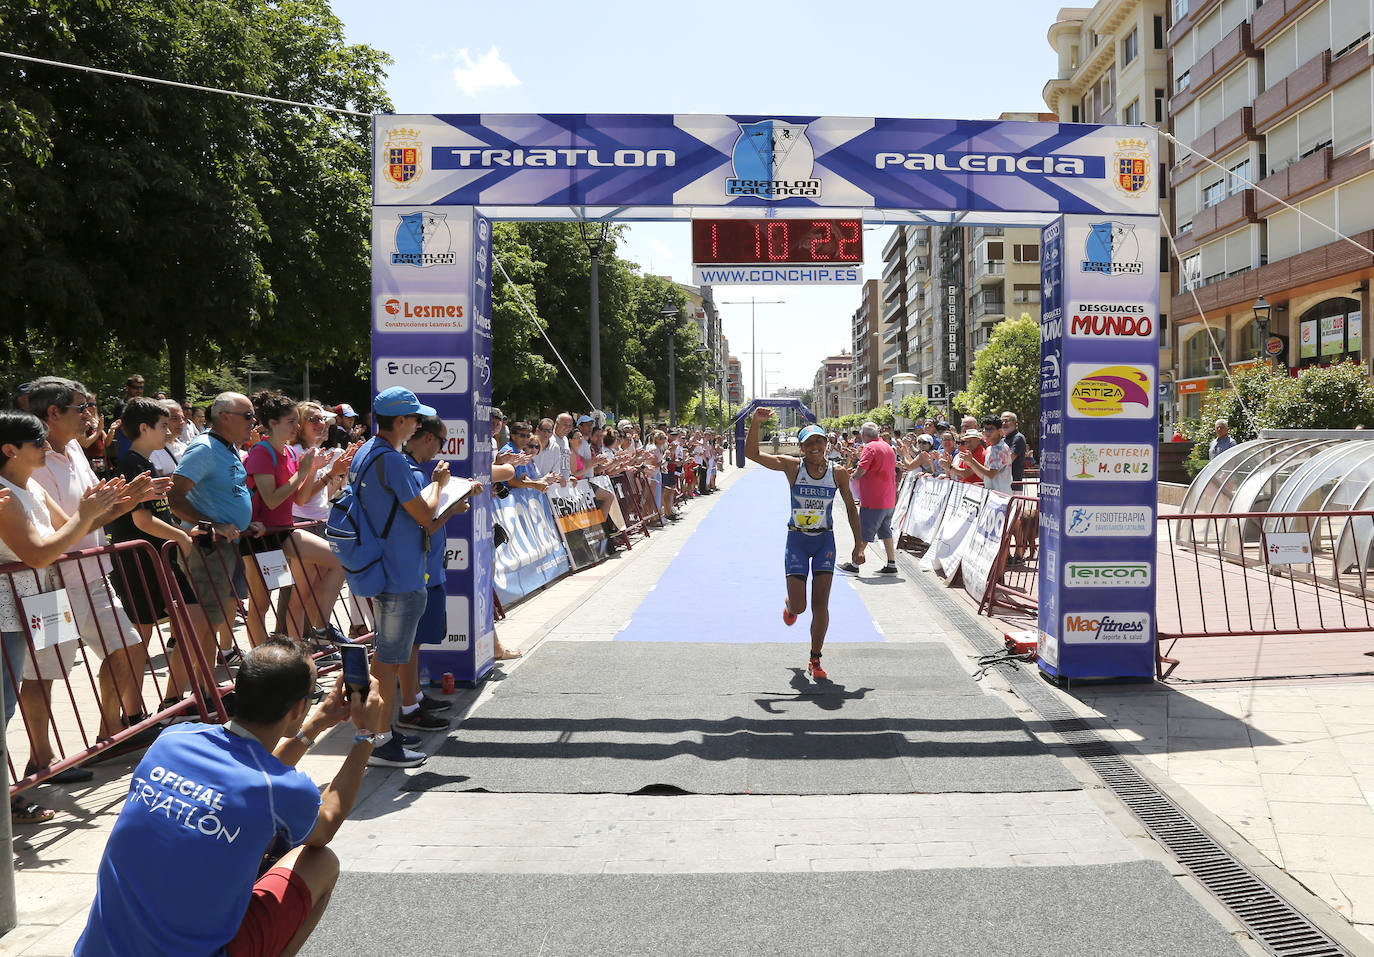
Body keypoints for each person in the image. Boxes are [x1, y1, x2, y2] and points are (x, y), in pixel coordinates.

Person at [74, 637, 388, 957]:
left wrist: (318, 721)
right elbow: (328, 821)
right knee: (320, 861)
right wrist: (366, 736)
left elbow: (252, 779)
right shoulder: (279, 791)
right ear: (297, 708)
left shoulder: (171, 741)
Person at [0, 410, 129, 823]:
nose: (46, 447)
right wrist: (86, 514)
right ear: (9, 450)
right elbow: (39, 552)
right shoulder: (4, 495)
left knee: (8, 704)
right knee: (3, 707)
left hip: (32, 606)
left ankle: (14, 795)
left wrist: (107, 506)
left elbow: (69, 532)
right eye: (38, 442)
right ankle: (11, 800)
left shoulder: (28, 486)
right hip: (9, 613)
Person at [29, 379, 163, 747]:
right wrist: (119, 506)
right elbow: (70, 525)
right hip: (50, 585)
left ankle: (110, 736)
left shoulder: (73, 447)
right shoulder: (31, 457)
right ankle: (41, 760)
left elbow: (90, 514)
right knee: (43, 675)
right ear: (53, 413)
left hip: (93, 573)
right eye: (81, 407)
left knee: (126, 646)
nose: (89, 414)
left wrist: (129, 500)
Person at [348, 387, 460, 768]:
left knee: (387, 659)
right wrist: (442, 485)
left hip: (386, 567)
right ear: (399, 422)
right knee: (387, 663)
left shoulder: (367, 452)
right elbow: (425, 515)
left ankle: (381, 733)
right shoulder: (392, 461)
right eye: (413, 418)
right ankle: (378, 741)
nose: (416, 425)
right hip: (399, 573)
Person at [107, 397, 217, 713]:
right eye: (163, 426)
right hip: (140, 562)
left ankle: (172, 701)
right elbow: (141, 519)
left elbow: (158, 515)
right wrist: (180, 535)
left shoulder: (148, 463)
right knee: (140, 642)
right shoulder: (131, 465)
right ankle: (132, 715)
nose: (168, 432)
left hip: (160, 559)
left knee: (195, 624)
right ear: (144, 428)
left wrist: (183, 532)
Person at [745, 409, 863, 681]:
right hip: (797, 540)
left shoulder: (839, 472)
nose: (814, 447)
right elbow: (753, 455)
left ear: (826, 445)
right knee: (800, 607)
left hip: (824, 541)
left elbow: (850, 508)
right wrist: (755, 422)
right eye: (809, 443)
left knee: (821, 604)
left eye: (819, 442)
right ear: (801, 447)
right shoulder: (792, 466)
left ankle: (815, 657)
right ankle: (790, 605)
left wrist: (859, 546)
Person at [242, 391, 347, 645]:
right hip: (261, 537)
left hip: (284, 532)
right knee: (261, 605)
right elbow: (272, 499)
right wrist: (303, 472)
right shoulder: (261, 452)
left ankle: (311, 639)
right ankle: (261, 664)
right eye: (291, 421)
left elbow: (299, 500)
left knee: (341, 559)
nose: (296, 426)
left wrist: (311, 471)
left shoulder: (289, 452)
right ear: (273, 423)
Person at [170, 392, 262, 677]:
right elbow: (175, 498)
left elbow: (220, 496)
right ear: (224, 417)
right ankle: (186, 697)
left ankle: (204, 690)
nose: (253, 421)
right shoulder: (205, 448)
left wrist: (244, 525)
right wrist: (214, 525)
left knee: (215, 621)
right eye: (247, 416)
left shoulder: (227, 446)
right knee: (204, 625)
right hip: (206, 548)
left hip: (226, 545)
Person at [396, 414, 462, 732]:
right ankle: (409, 707)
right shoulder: (407, 470)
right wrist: (447, 498)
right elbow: (426, 521)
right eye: (442, 442)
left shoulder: (413, 470)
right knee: (407, 643)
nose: (441, 450)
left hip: (427, 569)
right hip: (415, 570)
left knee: (416, 642)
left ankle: (416, 697)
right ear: (427, 438)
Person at [838, 421, 898, 576]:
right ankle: (891, 564)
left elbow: (862, 470)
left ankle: (854, 564)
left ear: (863, 435)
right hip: (889, 497)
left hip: (874, 498)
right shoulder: (887, 446)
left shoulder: (870, 447)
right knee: (885, 531)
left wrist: (850, 477)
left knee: (864, 531)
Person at [963, 416, 1014, 495]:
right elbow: (985, 476)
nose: (987, 432)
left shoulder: (999, 448)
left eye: (991, 429)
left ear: (999, 431)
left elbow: (991, 474)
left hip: (1001, 496)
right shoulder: (990, 449)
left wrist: (972, 461)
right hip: (992, 495)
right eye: (985, 429)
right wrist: (971, 463)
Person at [1000, 412, 1028, 488]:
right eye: (1002, 421)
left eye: (1007, 420)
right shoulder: (1002, 440)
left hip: (1013, 485)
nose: (1004, 423)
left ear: (1015, 423)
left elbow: (1009, 459)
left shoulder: (1018, 438)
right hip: (1001, 484)